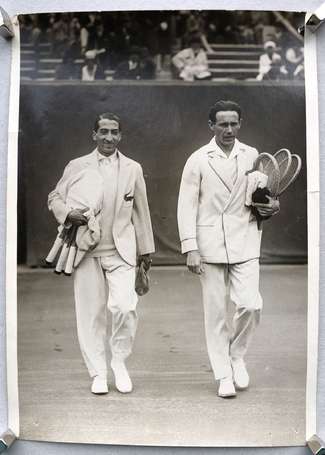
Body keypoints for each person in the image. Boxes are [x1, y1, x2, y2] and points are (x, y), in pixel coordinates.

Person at [177, 100, 280, 398]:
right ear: (212, 126)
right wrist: (190, 248)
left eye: (234, 123)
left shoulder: (253, 155)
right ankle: (223, 374)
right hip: (208, 246)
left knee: (251, 304)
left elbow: (263, 199)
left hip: (246, 240)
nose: (229, 130)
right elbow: (186, 206)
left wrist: (271, 206)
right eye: (223, 124)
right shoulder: (197, 159)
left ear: (240, 124)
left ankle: (236, 355)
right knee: (216, 313)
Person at [48, 112, 155, 395]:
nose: (109, 137)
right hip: (85, 251)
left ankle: (119, 362)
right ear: (94, 135)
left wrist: (145, 251)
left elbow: (141, 212)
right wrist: (67, 213)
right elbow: (55, 197)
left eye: (114, 132)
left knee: (124, 308)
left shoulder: (132, 168)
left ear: (121, 136)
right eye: (103, 132)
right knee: (90, 314)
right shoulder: (77, 165)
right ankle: (97, 372)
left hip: (122, 251)